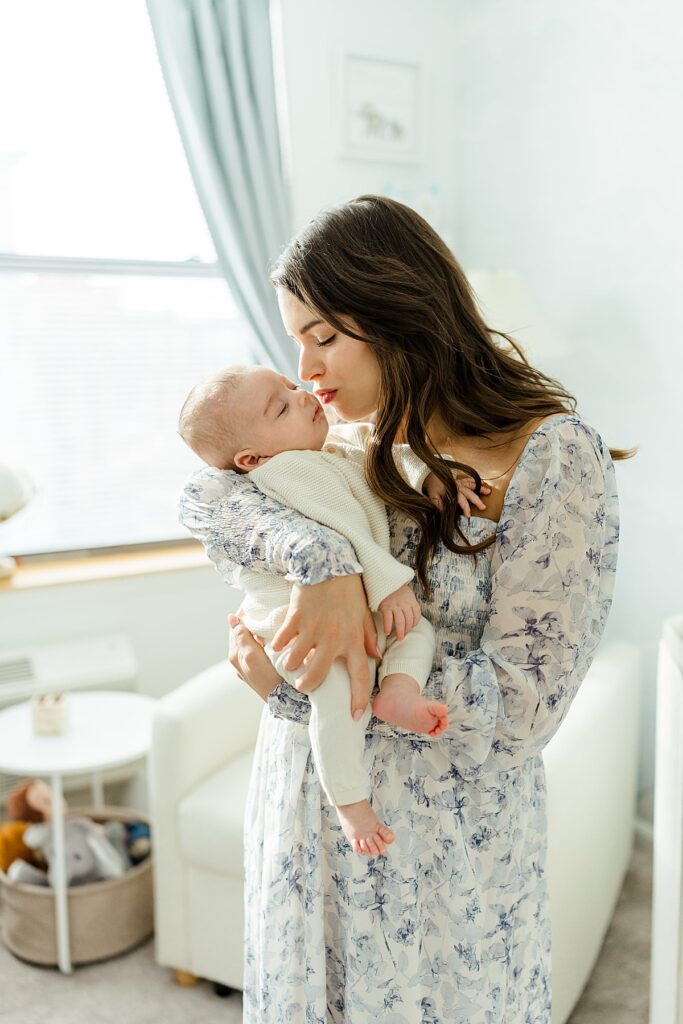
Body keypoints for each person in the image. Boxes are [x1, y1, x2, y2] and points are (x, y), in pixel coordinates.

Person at [179, 195, 626, 1023]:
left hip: (444, 853)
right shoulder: (343, 440)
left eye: (323, 337)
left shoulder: (553, 455)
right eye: (294, 342)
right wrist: (322, 567)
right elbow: (204, 495)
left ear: (398, 311)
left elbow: (523, 710)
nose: (305, 369)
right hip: (305, 814)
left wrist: (301, 685)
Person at [178, 362, 487, 854]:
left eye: (290, 386)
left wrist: (430, 476)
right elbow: (338, 534)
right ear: (252, 457)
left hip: (355, 607)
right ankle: (349, 800)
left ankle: (398, 692)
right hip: (292, 622)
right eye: (281, 407)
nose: (302, 395)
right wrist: (388, 585)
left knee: (415, 635)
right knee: (339, 686)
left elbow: (385, 454)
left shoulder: (332, 445)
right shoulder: (287, 471)